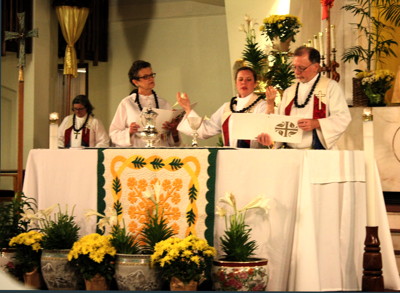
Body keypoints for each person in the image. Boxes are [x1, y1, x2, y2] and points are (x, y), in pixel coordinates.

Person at [257, 46, 351, 149]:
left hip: (318, 153)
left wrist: (317, 123)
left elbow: (343, 118)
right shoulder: (290, 91)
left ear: (315, 67)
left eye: (301, 68)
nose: (296, 72)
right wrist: (271, 139)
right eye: (294, 67)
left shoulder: (330, 87)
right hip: (290, 153)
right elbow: (279, 122)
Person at [177, 66, 275, 148]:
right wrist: (188, 109)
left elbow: (268, 129)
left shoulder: (262, 105)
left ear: (255, 84)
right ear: (236, 83)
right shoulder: (227, 107)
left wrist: (270, 104)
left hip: (254, 158)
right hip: (229, 157)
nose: (244, 82)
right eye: (240, 79)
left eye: (248, 80)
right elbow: (207, 129)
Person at [109, 60, 180, 147]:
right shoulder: (127, 103)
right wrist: (129, 132)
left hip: (160, 153)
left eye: (152, 75)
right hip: (137, 154)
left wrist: (174, 131)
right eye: (146, 77)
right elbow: (114, 133)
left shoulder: (164, 103)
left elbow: (173, 142)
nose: (151, 78)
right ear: (135, 82)